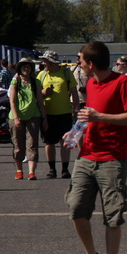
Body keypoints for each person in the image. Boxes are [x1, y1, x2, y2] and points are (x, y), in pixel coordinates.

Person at [65, 41, 127, 254]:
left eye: (80, 60)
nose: (79, 64)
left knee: (112, 217)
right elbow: (90, 113)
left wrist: (101, 117)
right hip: (86, 156)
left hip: (112, 159)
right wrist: (76, 133)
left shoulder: (122, 83)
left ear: (91, 63)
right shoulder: (90, 83)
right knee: (76, 208)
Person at [38, 50, 79, 179]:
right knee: (49, 142)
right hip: (48, 113)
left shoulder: (66, 73)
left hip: (65, 112)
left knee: (65, 142)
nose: (43, 63)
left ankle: (65, 169)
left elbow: (74, 93)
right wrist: (44, 92)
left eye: (46, 61)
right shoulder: (41, 75)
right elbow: (37, 95)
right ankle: (52, 169)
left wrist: (76, 111)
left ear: (52, 62)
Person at [8, 58, 48, 180]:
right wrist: (16, 118)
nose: (26, 68)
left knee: (32, 144)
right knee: (18, 144)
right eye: (24, 66)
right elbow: (13, 101)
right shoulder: (15, 82)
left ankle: (31, 171)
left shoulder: (36, 82)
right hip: (17, 116)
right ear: (19, 69)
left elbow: (40, 102)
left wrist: (44, 118)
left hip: (33, 116)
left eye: (29, 66)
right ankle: (19, 170)